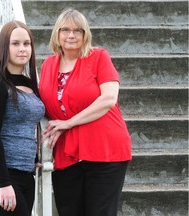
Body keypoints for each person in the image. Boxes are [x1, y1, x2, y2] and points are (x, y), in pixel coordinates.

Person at [39, 8, 132, 216]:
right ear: (57, 34)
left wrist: (68, 122)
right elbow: (40, 108)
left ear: (85, 34)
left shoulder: (98, 57)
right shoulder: (48, 65)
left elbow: (108, 98)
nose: (71, 35)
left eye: (77, 30)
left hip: (105, 149)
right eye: (65, 30)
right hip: (66, 153)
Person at [0, 20, 45, 216]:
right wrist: (3, 183)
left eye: (26, 43)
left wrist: (35, 156)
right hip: (0, 176)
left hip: (25, 175)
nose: (22, 49)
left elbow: (26, 123)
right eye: (15, 43)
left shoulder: (30, 84)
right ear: (4, 46)